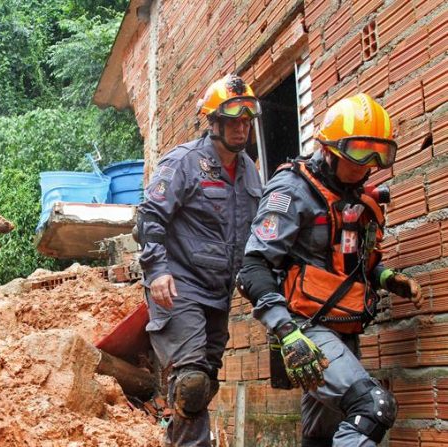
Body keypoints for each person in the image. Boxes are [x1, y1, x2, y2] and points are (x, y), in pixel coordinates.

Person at [237, 93, 423, 447]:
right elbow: (254, 266)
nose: (367, 163)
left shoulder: (355, 198)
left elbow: (355, 263)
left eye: (378, 154)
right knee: (372, 406)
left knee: (323, 433)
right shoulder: (293, 189)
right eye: (358, 152)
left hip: (344, 326)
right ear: (330, 149)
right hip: (305, 328)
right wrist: (287, 333)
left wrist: (387, 279)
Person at [136, 74, 263, 446]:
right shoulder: (185, 162)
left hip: (218, 293)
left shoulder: (250, 171)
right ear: (214, 121)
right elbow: (150, 217)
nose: (242, 126)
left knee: (199, 388)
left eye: (247, 119)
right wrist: (156, 270)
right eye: (234, 118)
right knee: (191, 384)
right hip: (178, 286)